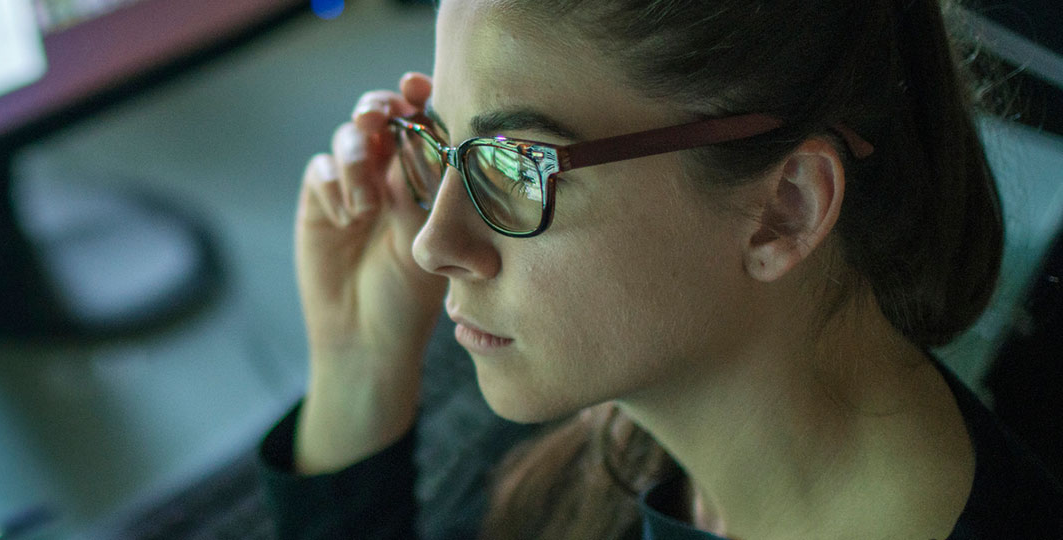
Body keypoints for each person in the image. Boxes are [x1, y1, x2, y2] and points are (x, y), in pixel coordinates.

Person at [258, 0, 1063, 538]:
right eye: (438, 141)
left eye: (517, 163)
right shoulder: (617, 422)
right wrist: (358, 369)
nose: (435, 246)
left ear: (786, 208)